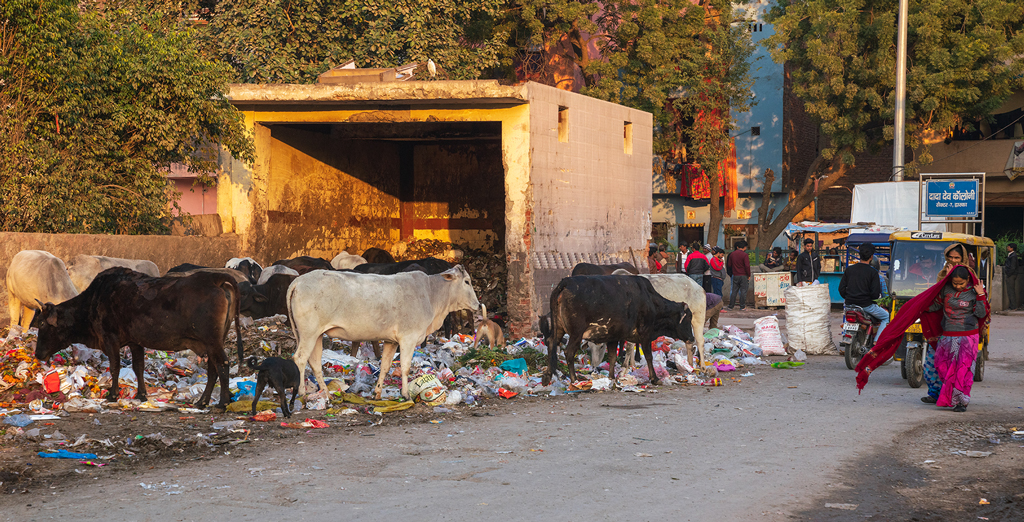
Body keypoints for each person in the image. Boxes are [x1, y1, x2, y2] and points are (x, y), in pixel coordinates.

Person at [923, 266, 989, 411]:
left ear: (968, 280)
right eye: (955, 284)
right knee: (942, 365)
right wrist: (919, 307)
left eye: (961, 283)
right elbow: (936, 305)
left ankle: (962, 402)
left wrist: (980, 295)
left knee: (963, 371)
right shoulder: (946, 290)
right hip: (948, 336)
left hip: (968, 337)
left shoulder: (974, 291)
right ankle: (948, 396)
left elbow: (981, 313)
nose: (958, 286)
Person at [923, 243, 973, 403]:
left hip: (964, 330)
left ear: (963, 258)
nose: (953, 260)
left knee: (959, 367)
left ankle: (957, 398)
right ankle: (935, 393)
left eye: (957, 258)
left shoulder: (970, 275)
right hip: (943, 326)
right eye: (950, 257)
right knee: (934, 363)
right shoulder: (942, 274)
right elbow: (937, 297)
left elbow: (976, 303)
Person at [838, 243, 889, 343]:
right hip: (866, 306)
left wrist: (849, 297)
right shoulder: (873, 272)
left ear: (859, 255)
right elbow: (875, 294)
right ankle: (877, 342)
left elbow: (841, 289)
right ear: (871, 257)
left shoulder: (849, 270)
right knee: (886, 317)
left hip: (849, 305)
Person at [727, 240, 751, 310]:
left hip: (735, 275)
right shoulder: (745, 255)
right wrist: (748, 275)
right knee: (743, 291)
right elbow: (747, 266)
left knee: (734, 291)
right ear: (744, 247)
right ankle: (742, 306)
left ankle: (731, 306)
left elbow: (729, 265)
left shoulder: (732, 254)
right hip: (743, 275)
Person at [1005, 243, 1021, 310]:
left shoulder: (1013, 256)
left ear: (1012, 248)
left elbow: (1013, 267)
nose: (1007, 248)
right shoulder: (1011, 255)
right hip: (1011, 274)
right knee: (1010, 290)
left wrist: (1008, 274)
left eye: (1008, 247)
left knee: (1011, 291)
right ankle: (1012, 305)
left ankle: (1013, 306)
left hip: (1011, 275)